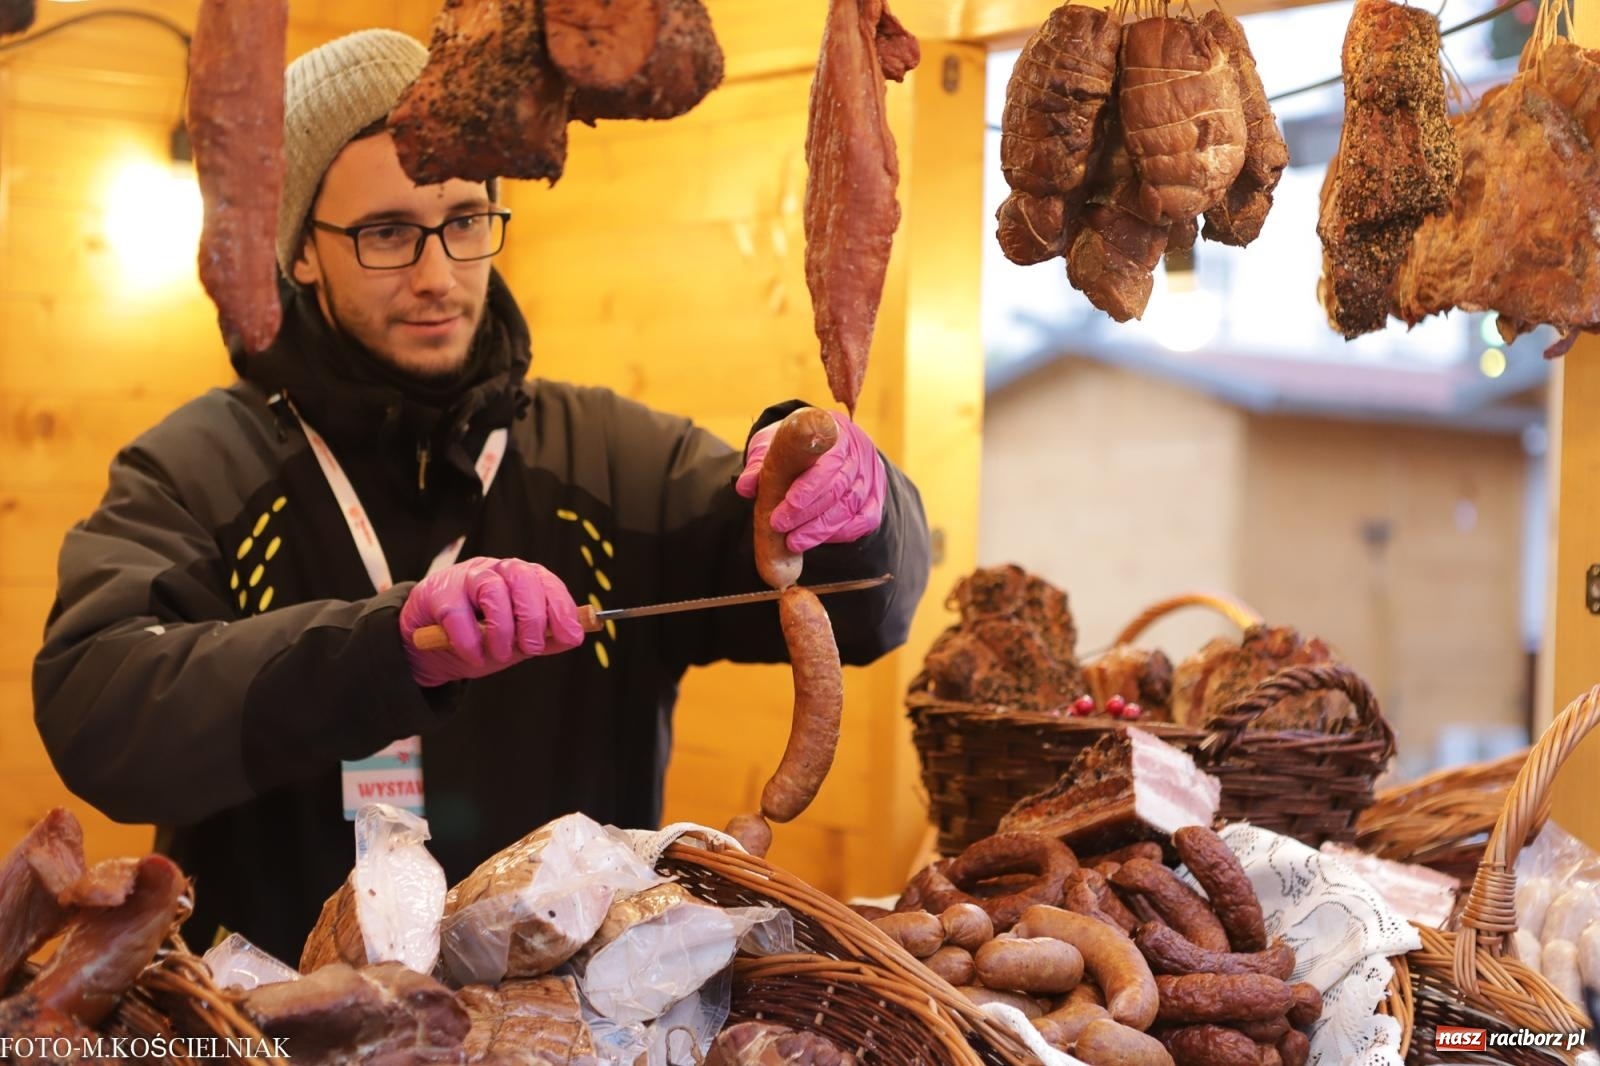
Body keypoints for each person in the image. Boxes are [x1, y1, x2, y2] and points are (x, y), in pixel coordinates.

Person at [31, 28, 929, 963]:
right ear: (299, 251)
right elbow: (99, 711)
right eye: (387, 234)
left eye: (464, 221)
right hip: (278, 1024)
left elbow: (866, 613)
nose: (437, 275)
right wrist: (385, 651)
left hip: (578, 1027)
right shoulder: (197, 466)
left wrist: (870, 517)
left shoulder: (610, 457)